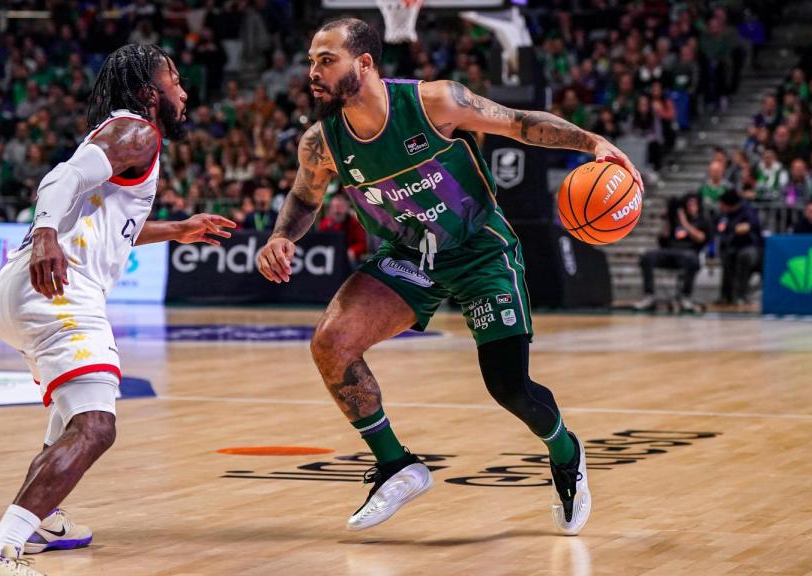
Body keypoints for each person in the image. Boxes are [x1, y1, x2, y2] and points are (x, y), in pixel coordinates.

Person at [256, 18, 642, 536]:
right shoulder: (320, 142)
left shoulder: (434, 102)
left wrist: (592, 143)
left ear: (364, 64)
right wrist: (283, 236)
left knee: (509, 387)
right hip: (409, 256)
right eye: (311, 61)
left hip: (479, 249)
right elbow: (306, 197)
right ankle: (397, 464)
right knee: (331, 342)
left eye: (326, 60)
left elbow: (520, 123)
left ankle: (566, 452)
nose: (313, 72)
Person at [0, 44, 236, 576]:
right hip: (59, 286)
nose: (184, 90)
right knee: (96, 426)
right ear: (149, 92)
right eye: (174, 80)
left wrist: (177, 229)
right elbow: (60, 180)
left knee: (68, 417)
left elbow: (106, 227)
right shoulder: (138, 131)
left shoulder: (125, 136)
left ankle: (45, 516)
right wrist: (45, 232)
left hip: (27, 287)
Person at [633, 194, 710, 312]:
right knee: (647, 257)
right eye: (689, 204)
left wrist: (685, 223)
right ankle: (649, 296)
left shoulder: (702, 221)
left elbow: (701, 238)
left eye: (694, 204)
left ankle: (685, 296)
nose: (691, 207)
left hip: (689, 252)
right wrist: (668, 219)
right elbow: (663, 239)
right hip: (670, 252)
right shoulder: (674, 220)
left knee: (692, 260)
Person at [716, 190, 763, 306]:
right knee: (727, 256)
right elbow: (721, 229)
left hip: (751, 247)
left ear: (729, 204)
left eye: (722, 204)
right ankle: (726, 295)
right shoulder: (725, 215)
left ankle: (741, 294)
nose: (720, 206)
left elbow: (750, 226)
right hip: (732, 246)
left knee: (744, 256)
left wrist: (742, 228)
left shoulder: (747, 211)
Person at [318, 192, 368, 264]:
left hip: (348, 260)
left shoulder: (354, 223)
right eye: (334, 207)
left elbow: (363, 244)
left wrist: (353, 250)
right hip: (329, 259)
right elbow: (319, 244)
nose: (337, 211)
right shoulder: (324, 224)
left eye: (340, 207)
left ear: (347, 208)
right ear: (330, 209)